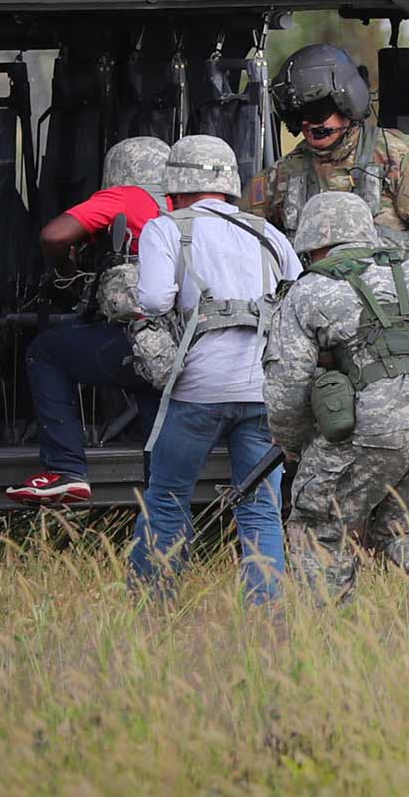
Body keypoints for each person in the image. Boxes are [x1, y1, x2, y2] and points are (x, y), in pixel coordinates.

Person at [263, 190, 409, 600]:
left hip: (361, 428)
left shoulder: (307, 291)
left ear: (311, 242)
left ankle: (328, 638)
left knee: (321, 534)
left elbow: (288, 387)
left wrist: (294, 444)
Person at [129, 134, 300, 604]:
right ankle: (267, 617)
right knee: (262, 509)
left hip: (197, 390)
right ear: (229, 185)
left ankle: (153, 606)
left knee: (166, 497)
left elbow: (154, 299)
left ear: (175, 186)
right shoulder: (269, 235)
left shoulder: (164, 228)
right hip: (261, 390)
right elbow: (300, 302)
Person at [6, 136, 171, 505]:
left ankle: (66, 469)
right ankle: (163, 509)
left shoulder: (126, 197)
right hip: (180, 344)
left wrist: (64, 263)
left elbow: (54, 234)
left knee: (46, 351)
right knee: (150, 398)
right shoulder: (184, 205)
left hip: (139, 334)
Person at [243, 43, 409, 282]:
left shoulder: (397, 156)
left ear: (348, 101)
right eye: (299, 115)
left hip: (391, 309)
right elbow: (242, 241)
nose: (307, 123)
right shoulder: (282, 175)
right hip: (314, 309)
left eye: (318, 111)